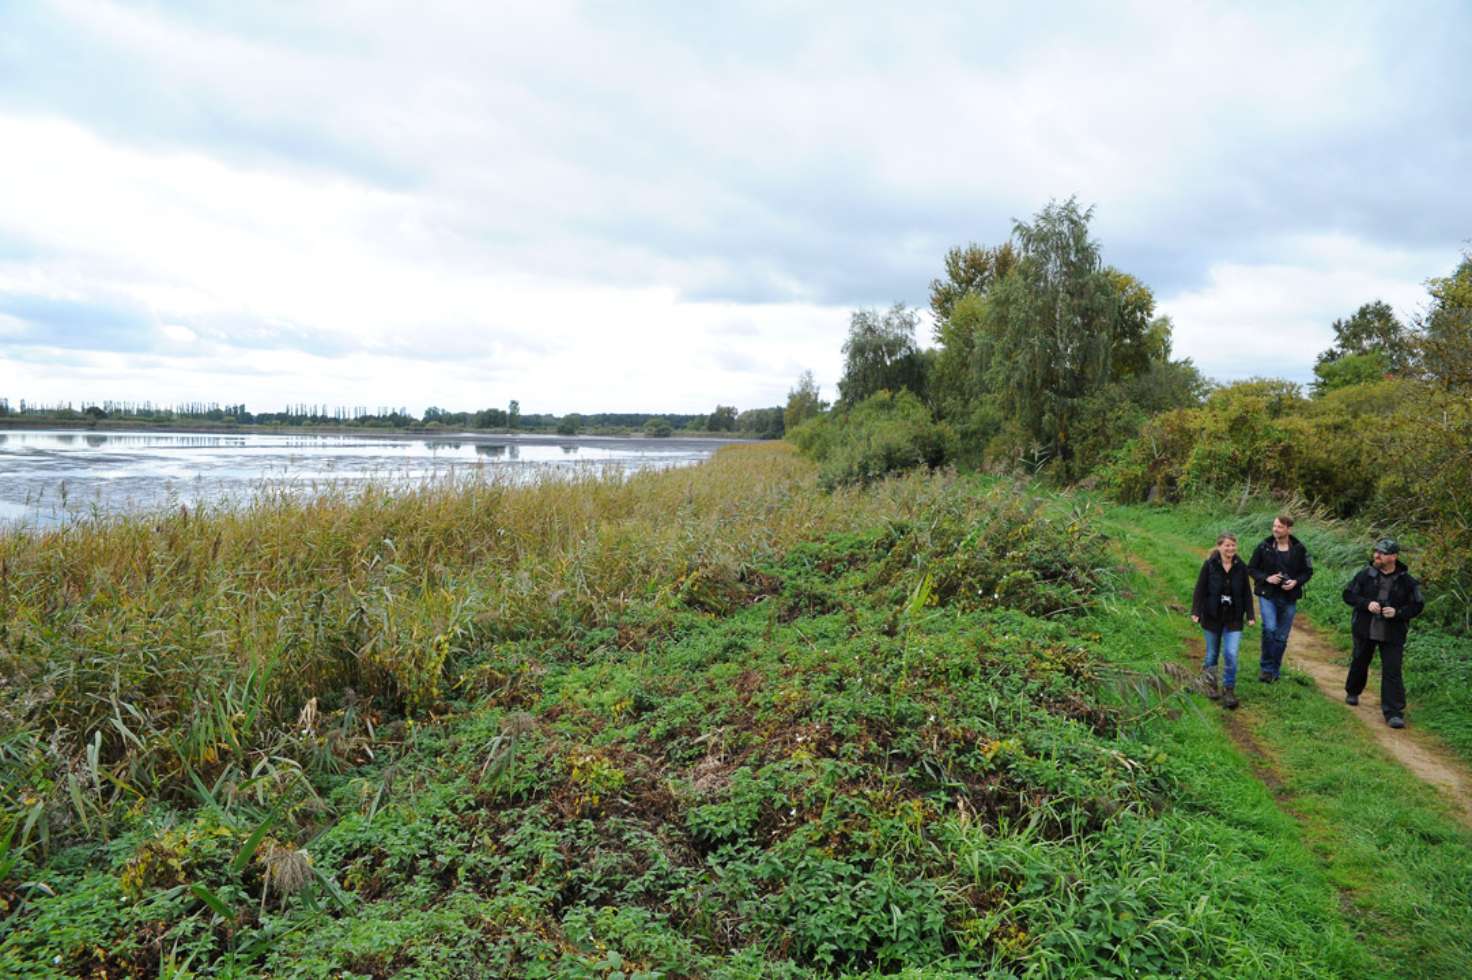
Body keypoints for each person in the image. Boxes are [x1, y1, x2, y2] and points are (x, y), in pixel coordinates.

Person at [1343, 538, 1424, 729]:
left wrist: (1398, 613)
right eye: (1376, 552)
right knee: (1360, 661)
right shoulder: (1365, 575)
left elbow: (1418, 605)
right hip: (1365, 628)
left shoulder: (1407, 581)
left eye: (1382, 553)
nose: (1377, 555)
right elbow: (1348, 594)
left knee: (1392, 670)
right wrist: (1366, 604)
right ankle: (1353, 691)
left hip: (1393, 632)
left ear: (1393, 557)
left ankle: (1394, 713)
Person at [1192, 532, 1255, 709]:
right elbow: (1200, 589)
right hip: (1211, 616)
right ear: (1219, 546)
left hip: (1234, 618)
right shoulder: (1209, 565)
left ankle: (1229, 689)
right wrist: (1196, 611)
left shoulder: (1241, 567)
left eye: (1233, 545)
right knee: (1212, 653)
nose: (1230, 548)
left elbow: (1246, 593)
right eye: (1227, 545)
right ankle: (1210, 684)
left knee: (1231, 654)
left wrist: (1250, 615)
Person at [1247, 514, 1314, 682]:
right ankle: (1266, 668)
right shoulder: (1264, 546)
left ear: (1288, 529)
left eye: (1279, 527)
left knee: (1281, 637)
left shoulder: (1300, 548)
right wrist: (1267, 578)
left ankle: (1274, 670)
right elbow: (1251, 568)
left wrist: (1295, 582)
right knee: (1269, 629)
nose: (1275, 529)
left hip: (1289, 597)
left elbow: (1308, 572)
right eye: (1274, 526)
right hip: (1267, 594)